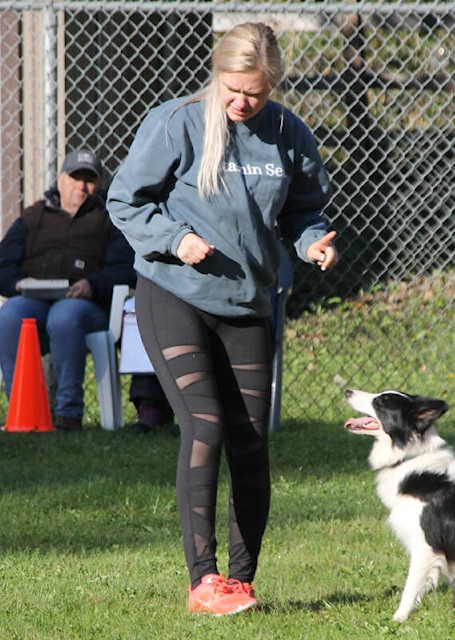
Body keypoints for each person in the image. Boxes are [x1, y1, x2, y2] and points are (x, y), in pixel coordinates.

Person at [107, 22, 339, 615]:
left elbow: (305, 212)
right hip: (174, 293)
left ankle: (240, 581)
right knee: (205, 424)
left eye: (254, 94)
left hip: (247, 304)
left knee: (250, 440)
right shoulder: (176, 122)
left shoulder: (289, 133)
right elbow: (124, 200)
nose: (240, 102)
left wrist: (313, 243)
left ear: (273, 86)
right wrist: (173, 238)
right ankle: (203, 580)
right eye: (232, 89)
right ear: (217, 77)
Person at [0, 149, 171, 431]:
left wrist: (92, 285)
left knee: (65, 315)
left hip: (86, 305)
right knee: (11, 313)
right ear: (60, 179)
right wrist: (18, 284)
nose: (82, 187)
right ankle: (21, 409)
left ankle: (67, 413)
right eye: (75, 178)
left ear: (98, 184)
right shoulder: (33, 216)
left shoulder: (109, 217)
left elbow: (125, 267)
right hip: (34, 300)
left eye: (90, 180)